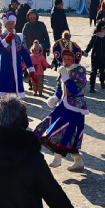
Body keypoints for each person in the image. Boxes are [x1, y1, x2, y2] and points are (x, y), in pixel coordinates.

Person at [36, 36, 88, 172]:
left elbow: (76, 90)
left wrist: (65, 77)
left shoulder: (80, 71)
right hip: (63, 106)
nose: (66, 62)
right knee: (67, 134)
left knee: (63, 129)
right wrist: (55, 97)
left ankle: (58, 157)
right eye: (64, 59)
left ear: (75, 59)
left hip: (75, 108)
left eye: (69, 59)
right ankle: (78, 161)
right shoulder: (63, 70)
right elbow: (59, 88)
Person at [0, 13, 32, 98]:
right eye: (8, 24)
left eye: (12, 23)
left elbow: (25, 54)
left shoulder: (20, 38)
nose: (10, 25)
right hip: (4, 71)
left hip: (16, 71)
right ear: (5, 25)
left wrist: (31, 69)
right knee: (3, 97)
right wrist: (6, 40)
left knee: (16, 96)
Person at [83, 23, 105, 92]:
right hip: (95, 57)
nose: (104, 30)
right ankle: (92, 87)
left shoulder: (104, 37)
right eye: (103, 28)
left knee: (102, 71)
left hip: (102, 57)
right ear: (99, 29)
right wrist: (86, 52)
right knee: (94, 72)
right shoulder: (95, 37)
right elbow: (90, 45)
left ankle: (102, 83)